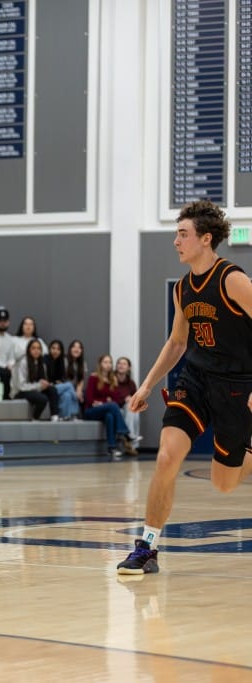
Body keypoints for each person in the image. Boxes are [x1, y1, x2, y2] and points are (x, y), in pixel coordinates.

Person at [114, 205, 252, 576]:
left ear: (206, 239)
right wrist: (147, 384)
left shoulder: (232, 280)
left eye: (183, 234)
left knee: (224, 484)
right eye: (176, 234)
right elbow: (177, 342)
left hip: (237, 387)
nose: (176, 241)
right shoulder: (183, 288)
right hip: (195, 380)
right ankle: (147, 548)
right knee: (166, 457)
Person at [84, 354, 136, 457]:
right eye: (105, 362)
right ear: (100, 364)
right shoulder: (93, 377)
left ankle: (112, 448)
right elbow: (89, 399)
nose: (108, 365)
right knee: (112, 405)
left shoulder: (112, 379)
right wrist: (105, 401)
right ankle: (125, 432)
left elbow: (116, 399)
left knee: (110, 416)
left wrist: (103, 402)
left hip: (105, 409)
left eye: (110, 362)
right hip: (91, 410)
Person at [12, 339, 60, 421]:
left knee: (52, 390)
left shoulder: (42, 363)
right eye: (33, 348)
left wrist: (46, 384)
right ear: (29, 350)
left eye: (38, 348)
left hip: (34, 389)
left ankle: (54, 416)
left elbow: (41, 381)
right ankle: (35, 418)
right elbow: (21, 386)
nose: (36, 351)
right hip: (20, 392)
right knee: (42, 398)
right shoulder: (23, 362)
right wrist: (39, 386)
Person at [114, 356, 142, 444]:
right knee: (130, 408)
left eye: (124, 364)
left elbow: (136, 398)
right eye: (119, 363)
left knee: (133, 409)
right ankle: (129, 435)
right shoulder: (111, 380)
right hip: (115, 407)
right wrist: (124, 399)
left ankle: (129, 438)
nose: (121, 365)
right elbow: (110, 397)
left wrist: (131, 399)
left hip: (126, 408)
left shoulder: (131, 383)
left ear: (129, 368)